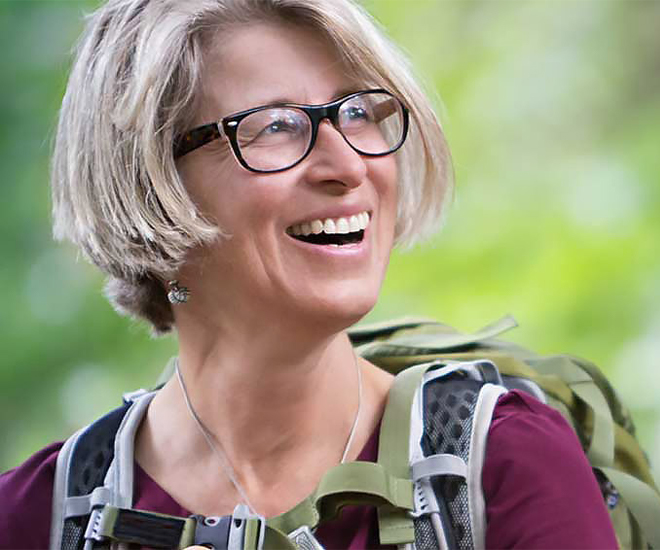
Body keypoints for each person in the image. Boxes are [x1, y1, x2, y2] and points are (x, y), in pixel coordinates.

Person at [0, 0, 618, 548]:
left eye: (357, 112)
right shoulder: (37, 518)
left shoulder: (504, 467)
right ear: (151, 182)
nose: (348, 165)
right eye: (275, 125)